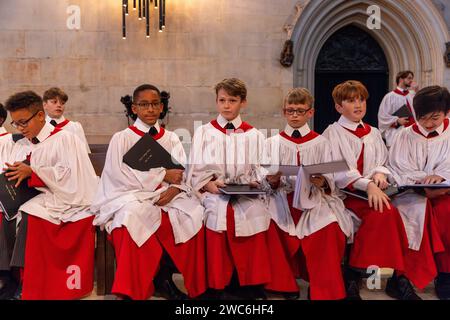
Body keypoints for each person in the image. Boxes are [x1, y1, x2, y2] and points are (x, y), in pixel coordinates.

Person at [91, 84, 206, 300]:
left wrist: (174, 188)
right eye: (144, 105)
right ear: (134, 108)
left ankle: (172, 280)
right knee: (131, 217)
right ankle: (133, 289)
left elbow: (182, 171)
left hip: (169, 196)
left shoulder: (171, 138)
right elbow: (117, 175)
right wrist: (162, 175)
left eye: (155, 104)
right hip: (131, 195)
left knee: (195, 213)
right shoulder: (122, 138)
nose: (150, 109)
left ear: (161, 106)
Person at [187, 78, 298, 299]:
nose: (226, 105)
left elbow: (260, 170)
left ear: (243, 102)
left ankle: (249, 282)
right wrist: (208, 183)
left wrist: (266, 180)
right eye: (222, 100)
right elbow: (195, 170)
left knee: (255, 212)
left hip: (247, 192)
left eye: (232, 100)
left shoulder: (254, 135)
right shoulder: (204, 132)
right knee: (219, 214)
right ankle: (221, 283)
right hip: (215, 191)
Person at [322, 80, 415, 300]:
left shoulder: (372, 132)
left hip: (370, 192)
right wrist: (368, 184)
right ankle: (388, 276)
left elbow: (382, 160)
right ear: (338, 107)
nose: (358, 105)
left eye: (361, 99)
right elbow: (338, 170)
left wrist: (380, 174)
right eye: (351, 100)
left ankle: (360, 272)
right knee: (385, 213)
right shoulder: (332, 133)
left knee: (394, 212)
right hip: (346, 194)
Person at [3, 91, 98, 300]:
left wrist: (33, 172)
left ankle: (25, 282)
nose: (20, 129)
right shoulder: (22, 143)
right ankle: (10, 279)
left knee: (28, 216)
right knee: (5, 215)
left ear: (39, 116)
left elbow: (71, 177)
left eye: (23, 123)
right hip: (35, 196)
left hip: (68, 199)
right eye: (15, 124)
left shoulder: (65, 139)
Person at [264, 88, 353, 300]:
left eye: (300, 111)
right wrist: (272, 180)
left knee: (330, 227)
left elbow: (332, 176)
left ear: (310, 113)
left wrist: (323, 181)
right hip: (281, 197)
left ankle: (322, 288)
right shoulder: (271, 143)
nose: (295, 115)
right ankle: (284, 285)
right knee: (266, 223)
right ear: (284, 112)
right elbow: (262, 176)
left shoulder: (322, 142)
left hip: (314, 198)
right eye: (290, 110)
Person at [388, 85, 450, 300]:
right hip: (413, 193)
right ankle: (402, 278)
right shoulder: (404, 136)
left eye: (436, 117)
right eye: (423, 118)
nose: (430, 123)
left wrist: (442, 177)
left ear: (446, 112)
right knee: (411, 217)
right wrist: (421, 182)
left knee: (446, 215)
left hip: (446, 193)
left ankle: (445, 275)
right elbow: (397, 167)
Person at [43, 87, 91, 153]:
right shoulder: (39, 127)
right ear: (45, 105)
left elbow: (84, 153)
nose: (59, 105)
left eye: (62, 103)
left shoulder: (74, 127)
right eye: (54, 102)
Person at [378, 71, 418, 147]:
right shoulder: (389, 97)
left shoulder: (412, 95)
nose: (411, 81)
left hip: (412, 134)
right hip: (396, 134)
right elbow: (382, 116)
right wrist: (397, 121)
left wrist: (417, 91)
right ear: (401, 79)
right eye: (409, 78)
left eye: (412, 78)